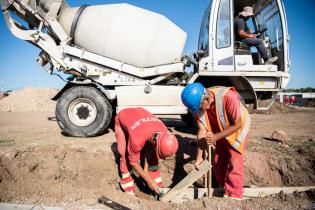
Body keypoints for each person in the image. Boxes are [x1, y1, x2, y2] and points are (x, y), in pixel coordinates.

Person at [181, 83, 251, 200]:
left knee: (234, 159)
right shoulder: (199, 103)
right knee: (218, 161)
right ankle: (223, 187)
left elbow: (237, 124)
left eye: (199, 107)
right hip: (221, 130)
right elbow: (202, 131)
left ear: (207, 98)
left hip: (238, 128)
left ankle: (235, 195)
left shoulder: (228, 97)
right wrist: (199, 159)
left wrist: (216, 137)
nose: (198, 111)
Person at [114, 107, 178, 195]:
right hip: (123, 117)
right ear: (155, 142)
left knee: (152, 156)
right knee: (124, 153)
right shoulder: (137, 139)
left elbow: (152, 150)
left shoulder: (164, 131)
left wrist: (146, 170)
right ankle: (126, 181)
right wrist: (148, 180)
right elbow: (133, 162)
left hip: (141, 116)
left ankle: (155, 180)